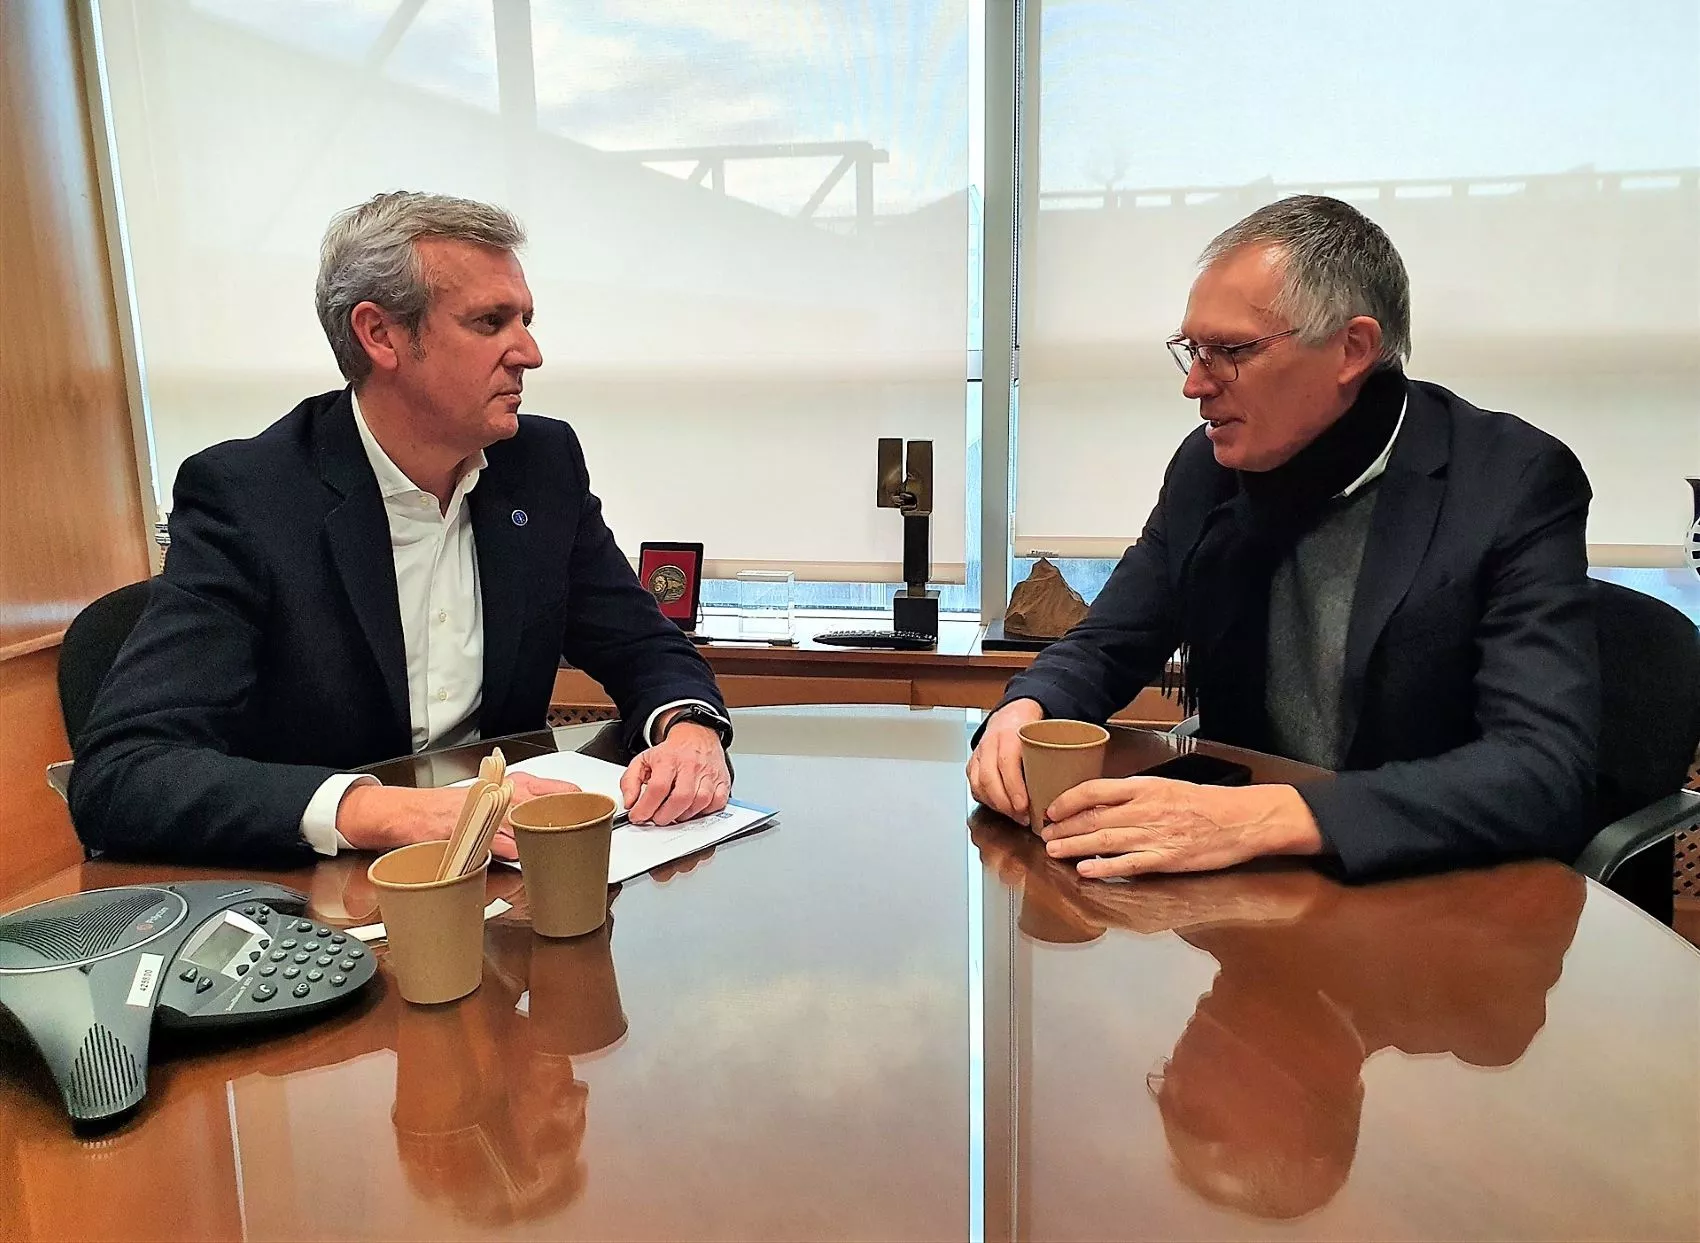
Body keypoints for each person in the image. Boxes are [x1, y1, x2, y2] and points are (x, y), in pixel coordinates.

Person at [70, 192, 733, 865]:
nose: (528, 352)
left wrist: (687, 729)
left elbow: (642, 644)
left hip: (507, 876)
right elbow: (122, 773)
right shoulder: (249, 498)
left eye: (525, 320)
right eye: (490, 322)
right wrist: (384, 810)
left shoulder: (539, 465)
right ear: (379, 334)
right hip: (326, 901)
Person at [968, 195, 1600, 880]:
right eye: (1192, 350)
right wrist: (1026, 709)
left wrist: (1273, 815)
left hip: (1436, 894)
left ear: (1351, 349)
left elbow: (1542, 769)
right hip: (1251, 893)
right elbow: (1109, 641)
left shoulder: (1510, 480)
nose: (1196, 385)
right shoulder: (1208, 468)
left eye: (1230, 351)